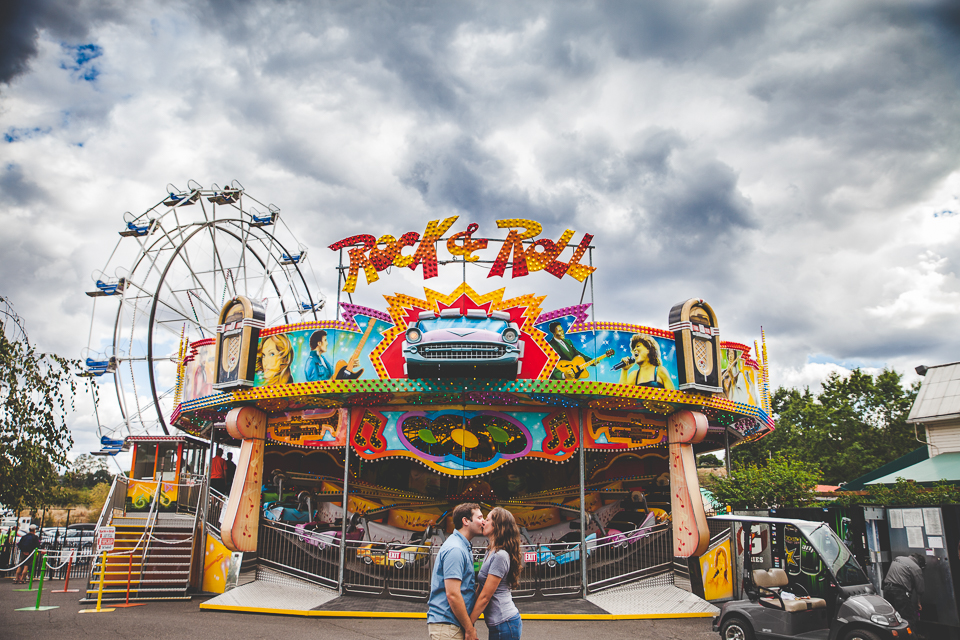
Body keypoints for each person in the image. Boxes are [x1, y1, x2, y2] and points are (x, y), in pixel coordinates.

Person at [427, 503, 484, 640]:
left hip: (451, 625)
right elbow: (453, 594)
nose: (483, 521)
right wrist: (469, 629)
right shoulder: (456, 550)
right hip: (448, 627)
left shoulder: (460, 546)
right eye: (480, 517)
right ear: (466, 521)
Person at [471, 507, 523, 640]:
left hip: (505, 623)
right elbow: (480, 588)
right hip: (499, 624)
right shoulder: (490, 551)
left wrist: (468, 625)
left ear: (497, 526)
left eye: (487, 520)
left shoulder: (500, 556)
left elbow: (485, 597)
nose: (483, 522)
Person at [883, 553, 925, 632]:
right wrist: (919, 602)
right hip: (900, 592)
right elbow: (920, 588)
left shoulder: (898, 558)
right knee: (908, 617)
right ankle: (910, 636)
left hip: (887, 589)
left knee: (893, 617)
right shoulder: (916, 568)